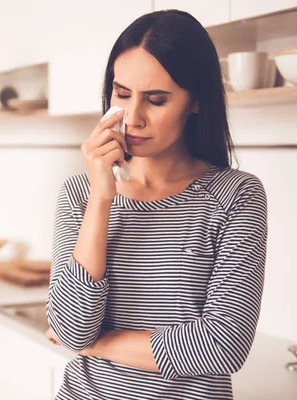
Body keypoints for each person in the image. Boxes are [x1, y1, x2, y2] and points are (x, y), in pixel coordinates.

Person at [45, 10, 268, 400]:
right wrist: (101, 198)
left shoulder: (236, 196)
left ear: (196, 102)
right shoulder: (81, 193)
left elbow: (224, 344)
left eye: (157, 100)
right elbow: (70, 330)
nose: (133, 118)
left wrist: (99, 345)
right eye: (122, 94)